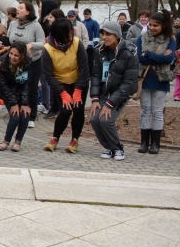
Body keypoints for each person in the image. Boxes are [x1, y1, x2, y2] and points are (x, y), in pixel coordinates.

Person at [89, 21, 138, 161]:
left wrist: (110, 103)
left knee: (106, 120)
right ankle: (108, 147)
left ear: (116, 35)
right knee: (94, 119)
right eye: (103, 34)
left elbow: (129, 83)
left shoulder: (129, 52)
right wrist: (95, 98)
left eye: (108, 34)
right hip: (105, 91)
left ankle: (118, 148)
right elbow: (96, 75)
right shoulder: (99, 51)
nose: (105, 37)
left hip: (121, 92)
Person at [42, 19, 89, 153]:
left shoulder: (77, 43)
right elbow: (49, 76)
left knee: (78, 109)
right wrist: (63, 93)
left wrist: (78, 90)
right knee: (65, 111)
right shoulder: (48, 49)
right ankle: (55, 137)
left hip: (79, 82)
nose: (73, 31)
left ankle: (74, 140)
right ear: (60, 34)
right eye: (69, 30)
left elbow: (84, 68)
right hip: (61, 84)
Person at [136, 12, 176, 155]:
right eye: (150, 25)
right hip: (145, 78)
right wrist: (159, 57)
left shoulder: (170, 40)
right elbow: (139, 58)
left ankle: (155, 143)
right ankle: (144, 142)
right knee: (145, 111)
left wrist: (148, 54)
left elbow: (169, 59)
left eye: (156, 25)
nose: (152, 28)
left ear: (163, 26)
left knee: (157, 112)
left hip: (161, 79)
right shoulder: (141, 38)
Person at [9, 2, 46, 128]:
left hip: (33, 61)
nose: (17, 10)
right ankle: (17, 111)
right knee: (16, 86)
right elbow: (9, 39)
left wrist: (31, 45)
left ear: (28, 11)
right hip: (16, 61)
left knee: (31, 88)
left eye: (20, 8)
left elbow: (42, 43)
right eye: (17, 8)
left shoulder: (36, 25)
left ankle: (31, 116)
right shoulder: (13, 23)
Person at [0, 43, 32, 151]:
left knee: (25, 115)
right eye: (11, 53)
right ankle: (6, 141)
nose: (12, 57)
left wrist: (24, 103)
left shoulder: (28, 62)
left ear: (22, 56)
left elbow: (26, 83)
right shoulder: (1, 62)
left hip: (21, 91)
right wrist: (14, 103)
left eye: (16, 55)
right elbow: (2, 85)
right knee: (15, 116)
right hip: (7, 92)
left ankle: (18, 142)